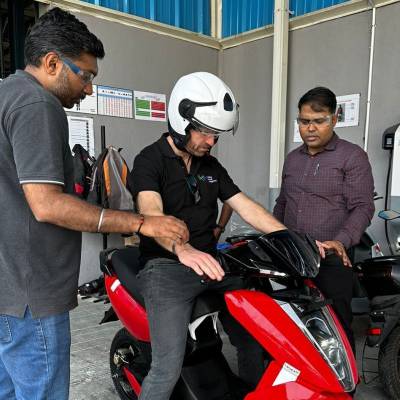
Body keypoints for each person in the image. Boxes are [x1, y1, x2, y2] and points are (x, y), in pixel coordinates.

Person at [0, 8, 188, 400]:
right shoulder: (38, 105)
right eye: (85, 75)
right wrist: (141, 223)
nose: (88, 89)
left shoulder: (5, 94)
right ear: (52, 63)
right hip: (31, 296)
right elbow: (48, 205)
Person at [130, 71, 286, 400]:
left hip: (210, 264)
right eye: (204, 132)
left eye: (216, 134)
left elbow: (245, 205)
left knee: (253, 337)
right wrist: (182, 248)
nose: (211, 141)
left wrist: (291, 237)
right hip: (165, 267)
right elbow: (151, 211)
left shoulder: (210, 166)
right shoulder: (149, 160)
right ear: (179, 117)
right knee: (166, 367)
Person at [273, 86, 375, 352]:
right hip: (294, 257)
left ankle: (344, 390)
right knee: (295, 322)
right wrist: (274, 238)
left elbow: (363, 207)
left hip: (331, 260)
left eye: (318, 121)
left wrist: (339, 242)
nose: (310, 128)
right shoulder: (292, 159)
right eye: (304, 121)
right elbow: (283, 202)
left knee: (336, 327)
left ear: (335, 118)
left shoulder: (352, 156)